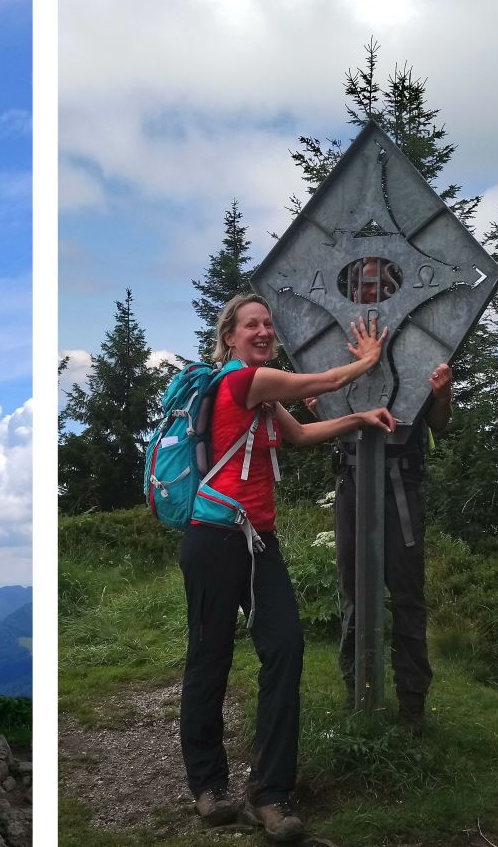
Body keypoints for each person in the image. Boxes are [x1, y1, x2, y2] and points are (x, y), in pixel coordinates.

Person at [184, 294, 395, 842]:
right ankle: (208, 787)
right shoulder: (240, 382)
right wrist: (367, 361)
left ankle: (270, 793)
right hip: (211, 538)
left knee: (286, 649)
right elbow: (317, 383)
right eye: (251, 324)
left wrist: (360, 418)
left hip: (258, 542)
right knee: (211, 656)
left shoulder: (258, 393)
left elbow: (300, 435)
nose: (262, 331)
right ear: (229, 336)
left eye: (267, 324)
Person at [325, 357, 449, 731]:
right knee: (354, 594)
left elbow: (439, 422)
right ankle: (358, 699)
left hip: (401, 486)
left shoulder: (417, 350)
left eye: (373, 290)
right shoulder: (338, 354)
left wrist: (442, 394)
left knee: (408, 596)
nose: (367, 294)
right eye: (358, 291)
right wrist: (318, 404)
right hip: (351, 481)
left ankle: (412, 707)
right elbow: (325, 419)